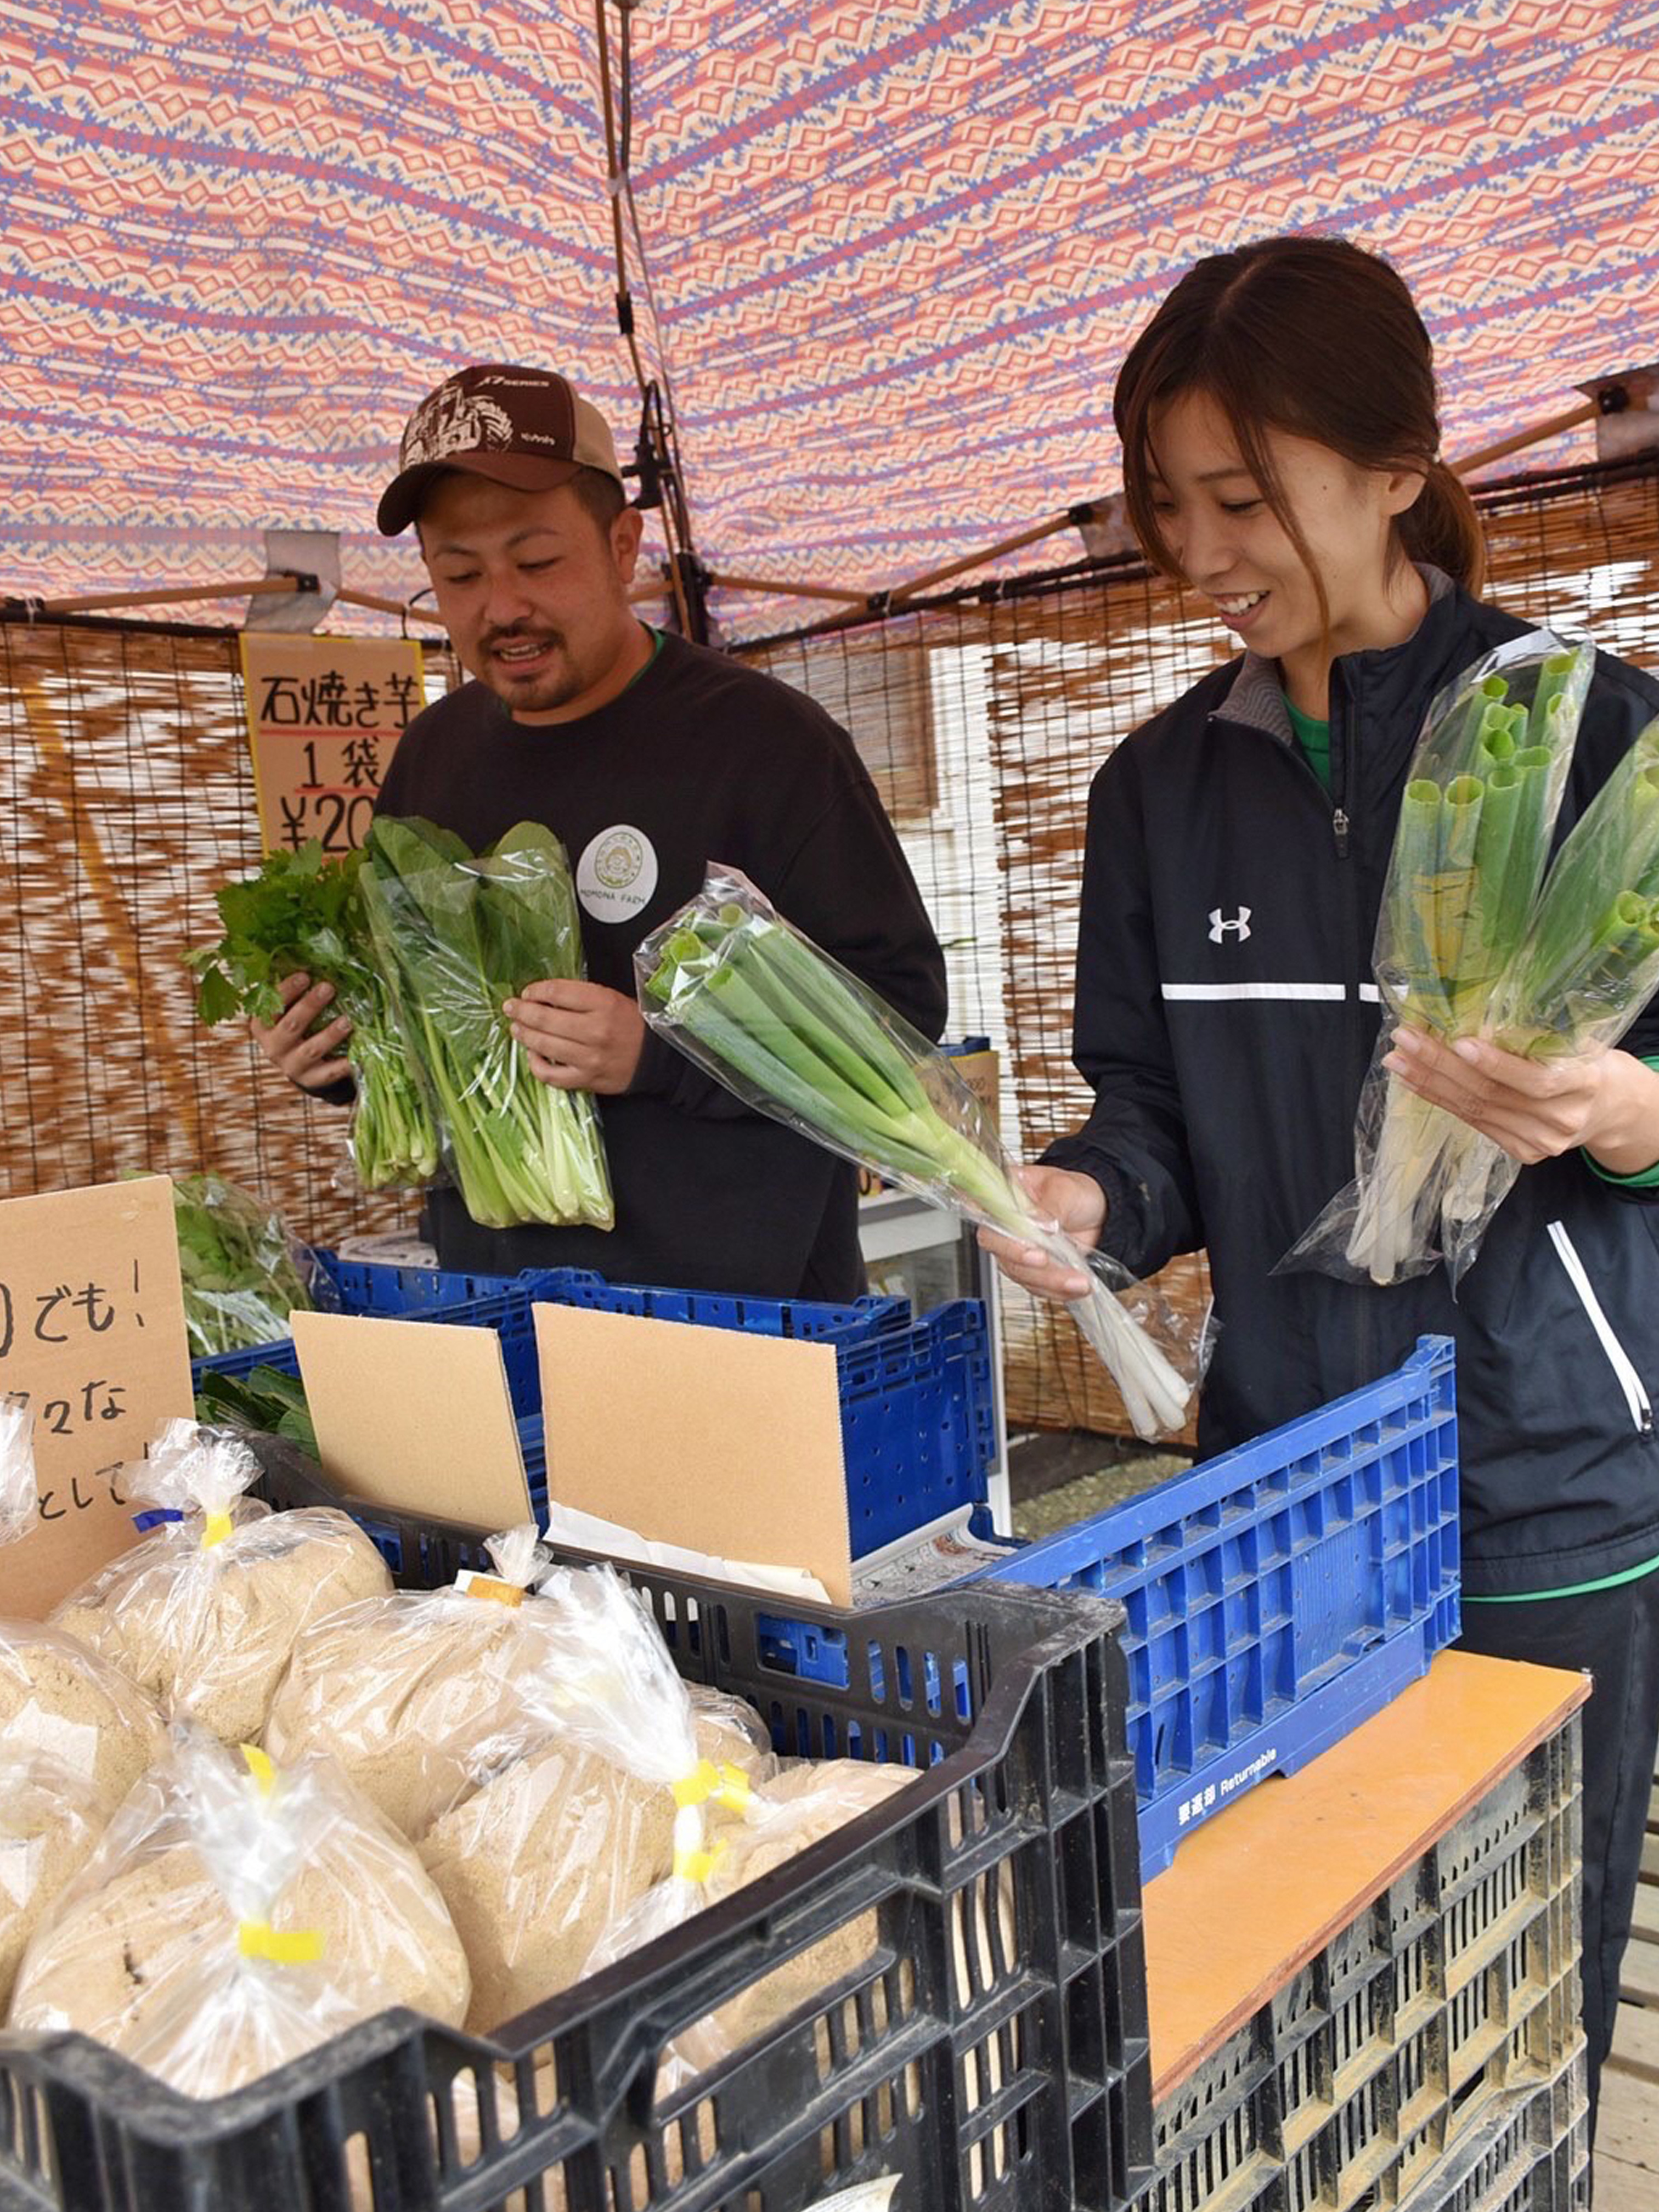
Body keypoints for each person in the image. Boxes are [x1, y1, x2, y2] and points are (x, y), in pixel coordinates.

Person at [984, 236, 1659, 2133]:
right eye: (1168, 504)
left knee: (1525, 1992)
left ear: (1395, 467)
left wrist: (1621, 1109)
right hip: (1288, 1469)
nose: (1200, 552)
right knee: (1315, 2010)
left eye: (1242, 497)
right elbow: (1147, 1112)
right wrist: (1091, 1200)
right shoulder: (1159, 789)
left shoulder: (1594, 732)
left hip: (1545, 1475)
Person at [254, 363, 946, 1299]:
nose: (502, 607)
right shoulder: (433, 757)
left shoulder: (770, 746)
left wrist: (661, 1054)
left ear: (624, 547)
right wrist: (339, 1056)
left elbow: (901, 1022)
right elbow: (428, 1023)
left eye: (537, 563)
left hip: (751, 1316)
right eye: (460, 575)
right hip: (501, 1304)